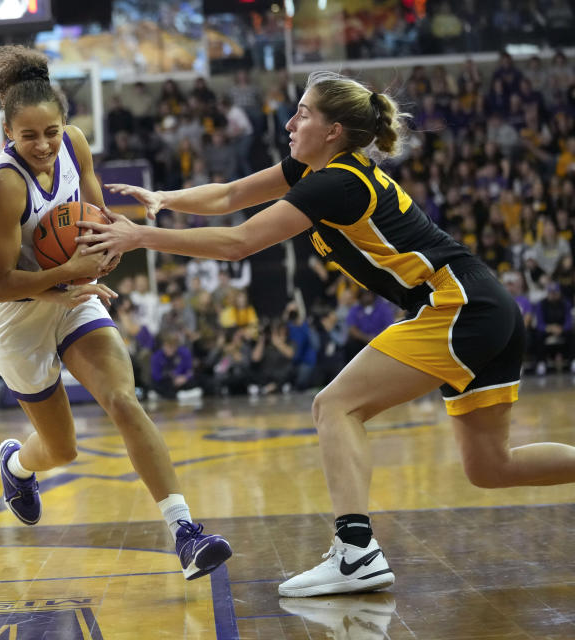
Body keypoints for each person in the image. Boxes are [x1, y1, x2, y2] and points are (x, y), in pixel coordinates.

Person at [76, 70, 575, 597]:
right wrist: (166, 198)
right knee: (490, 467)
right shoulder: (321, 170)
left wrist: (137, 236)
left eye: (304, 114)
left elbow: (238, 243)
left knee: (335, 406)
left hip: (457, 304)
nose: (290, 123)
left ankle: (356, 552)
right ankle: (357, 554)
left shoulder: (335, 182)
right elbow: (230, 195)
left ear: (334, 131)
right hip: (485, 305)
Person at [0, 45, 232, 581]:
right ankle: (16, 465)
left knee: (123, 399)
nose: (44, 144)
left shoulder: (74, 146)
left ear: (65, 125)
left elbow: (98, 219)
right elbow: (1, 284)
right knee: (62, 449)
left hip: (74, 298)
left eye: (51, 131)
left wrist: (107, 251)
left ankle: (185, 532)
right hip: (19, 317)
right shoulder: (4, 186)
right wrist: (65, 271)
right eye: (29, 136)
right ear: (9, 137)